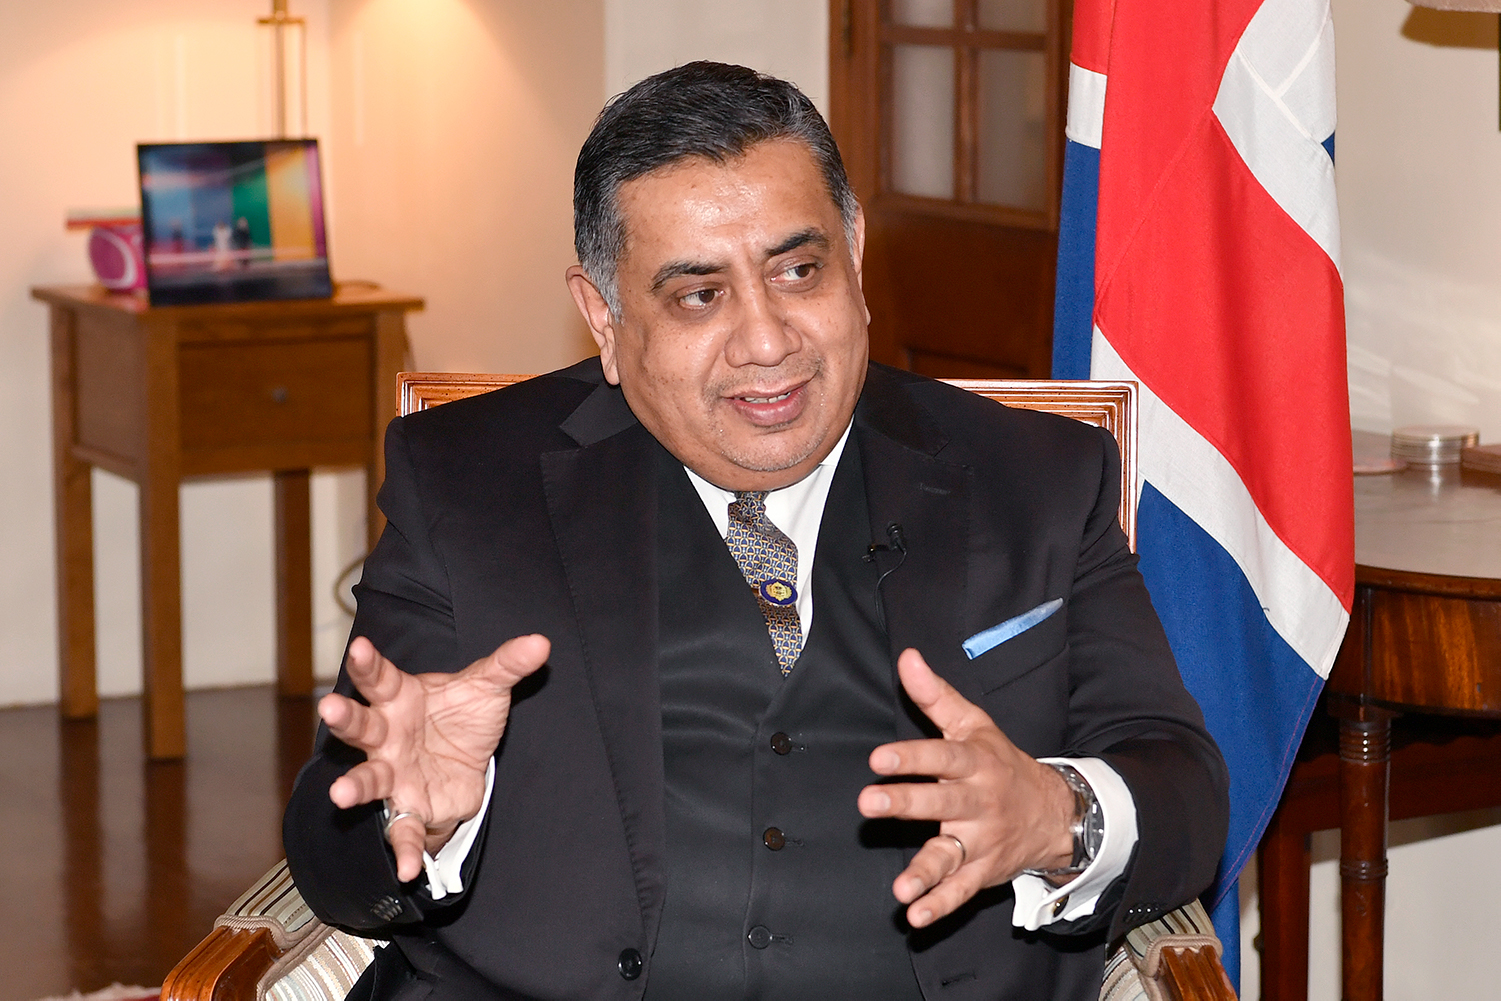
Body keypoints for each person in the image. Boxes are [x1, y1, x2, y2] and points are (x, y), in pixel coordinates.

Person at [283, 62, 1228, 1001]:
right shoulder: (464, 479)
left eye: (798, 271)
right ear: (603, 317)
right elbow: (334, 846)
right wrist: (424, 816)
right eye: (699, 295)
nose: (768, 340)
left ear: (855, 255)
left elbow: (1181, 788)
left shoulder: (1036, 476)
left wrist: (1057, 815)